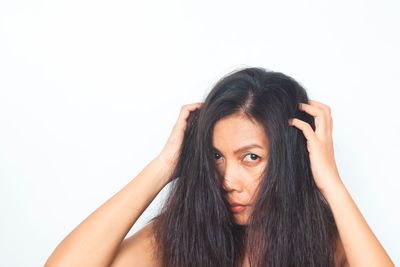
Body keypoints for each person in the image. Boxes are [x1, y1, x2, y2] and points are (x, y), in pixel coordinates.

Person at [45, 67, 394, 267]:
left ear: (290, 160)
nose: (227, 180)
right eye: (216, 157)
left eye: (251, 158)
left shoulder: (326, 243)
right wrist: (165, 166)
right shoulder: (179, 236)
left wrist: (331, 183)